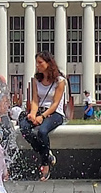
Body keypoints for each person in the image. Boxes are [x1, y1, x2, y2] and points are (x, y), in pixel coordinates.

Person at [20, 53, 68, 181]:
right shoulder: (37, 80)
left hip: (55, 113)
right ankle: (46, 154)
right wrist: (33, 114)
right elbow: (35, 100)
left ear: (49, 63)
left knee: (42, 131)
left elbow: (56, 103)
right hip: (40, 111)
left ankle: (45, 164)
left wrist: (42, 117)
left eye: (40, 62)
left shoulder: (60, 81)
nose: (37, 65)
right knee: (24, 128)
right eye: (36, 62)